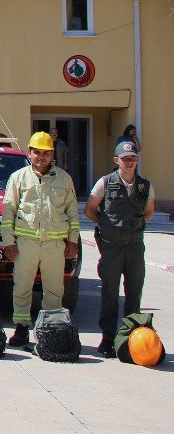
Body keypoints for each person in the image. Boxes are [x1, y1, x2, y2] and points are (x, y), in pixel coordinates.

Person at [1, 131, 80, 347]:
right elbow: (9, 211)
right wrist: (8, 241)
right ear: (29, 152)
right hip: (25, 243)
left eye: (46, 153)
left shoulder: (64, 179)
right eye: (37, 152)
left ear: (52, 153)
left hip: (55, 245)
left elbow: (72, 211)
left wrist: (73, 241)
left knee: (54, 289)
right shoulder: (18, 178)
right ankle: (21, 328)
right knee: (22, 287)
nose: (41, 157)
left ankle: (50, 331)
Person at [84, 141, 156, 358]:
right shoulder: (105, 183)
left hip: (134, 247)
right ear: (117, 161)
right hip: (112, 247)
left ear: (137, 160)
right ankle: (107, 339)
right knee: (110, 294)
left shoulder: (145, 186)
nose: (129, 162)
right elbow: (89, 210)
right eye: (125, 159)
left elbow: (149, 213)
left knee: (134, 294)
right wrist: (107, 227)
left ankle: (130, 339)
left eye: (133, 158)